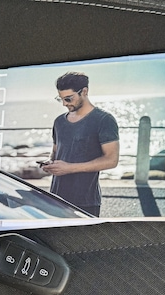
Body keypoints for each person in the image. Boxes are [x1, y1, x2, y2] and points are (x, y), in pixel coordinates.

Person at [41, 72, 120, 216]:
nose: (64, 103)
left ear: (84, 91)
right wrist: (50, 163)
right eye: (61, 99)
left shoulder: (104, 120)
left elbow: (111, 160)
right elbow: (56, 152)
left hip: (85, 202)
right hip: (56, 198)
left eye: (68, 98)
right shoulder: (59, 121)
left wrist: (69, 168)